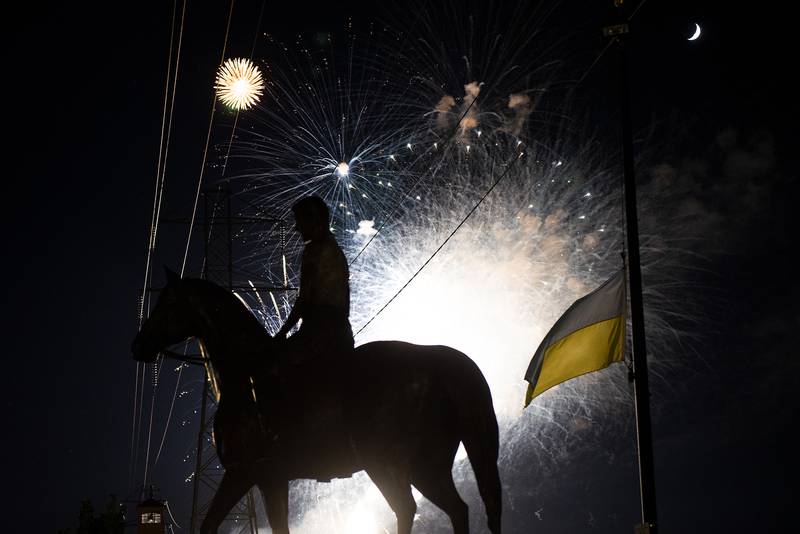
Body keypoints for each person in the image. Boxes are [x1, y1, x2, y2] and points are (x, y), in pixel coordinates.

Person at [276, 195, 354, 363]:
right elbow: (346, 299)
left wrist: (282, 333)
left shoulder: (313, 252)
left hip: (317, 336)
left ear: (314, 221)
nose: (297, 228)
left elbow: (304, 299)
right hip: (343, 335)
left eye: (300, 221)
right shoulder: (337, 252)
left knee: (274, 364)